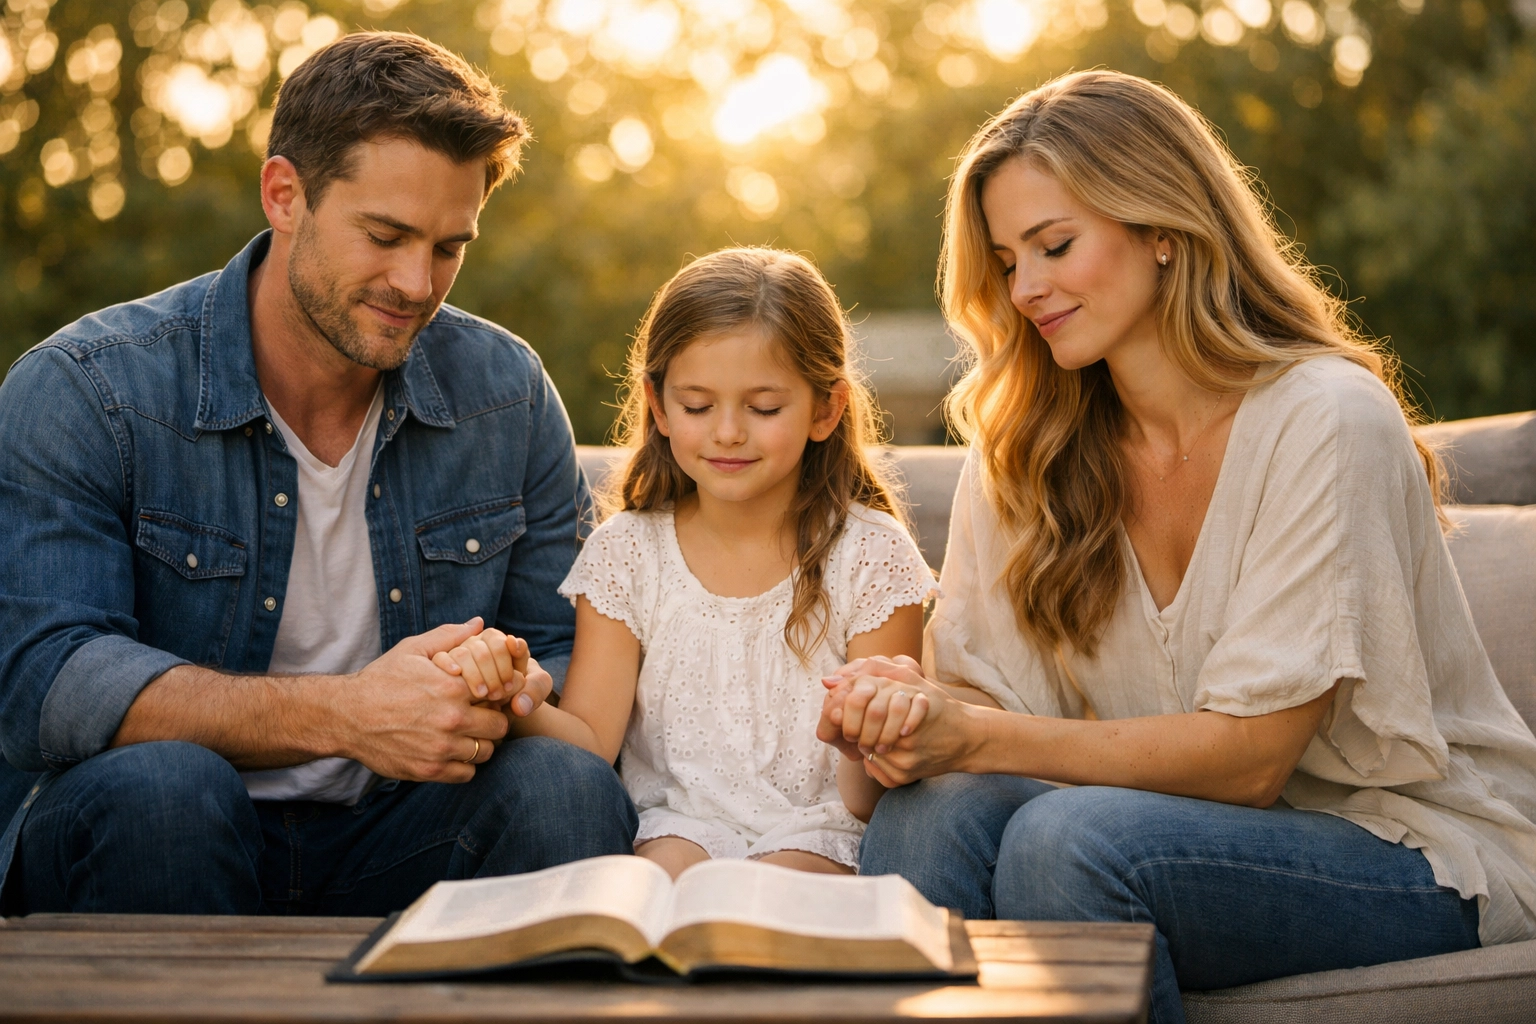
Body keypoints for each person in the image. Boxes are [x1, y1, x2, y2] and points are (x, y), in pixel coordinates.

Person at [818, 71, 1536, 1023]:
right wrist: (901, 711)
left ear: (1164, 228)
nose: (1026, 289)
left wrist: (976, 733)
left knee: (1067, 843)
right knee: (931, 812)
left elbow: (1250, 764)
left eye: (1055, 245)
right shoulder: (1028, 441)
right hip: (1141, 828)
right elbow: (985, 702)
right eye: (1005, 262)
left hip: (1403, 849)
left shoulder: (1323, 419)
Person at [0, 32, 637, 916]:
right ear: (284, 195)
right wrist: (347, 714)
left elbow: (564, 650)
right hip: (160, 825)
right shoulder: (90, 389)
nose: (417, 283)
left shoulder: (507, 392)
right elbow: (45, 680)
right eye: (385, 235)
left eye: (450, 247)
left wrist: (508, 679)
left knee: (565, 787)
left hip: (400, 832)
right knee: (167, 791)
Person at [442, 249, 936, 878]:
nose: (728, 432)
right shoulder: (627, 554)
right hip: (673, 827)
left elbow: (872, 801)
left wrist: (860, 738)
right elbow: (594, 742)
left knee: (761, 894)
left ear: (825, 410)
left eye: (763, 408)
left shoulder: (870, 556)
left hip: (825, 833)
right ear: (658, 404)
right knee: (663, 882)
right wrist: (512, 697)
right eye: (698, 406)